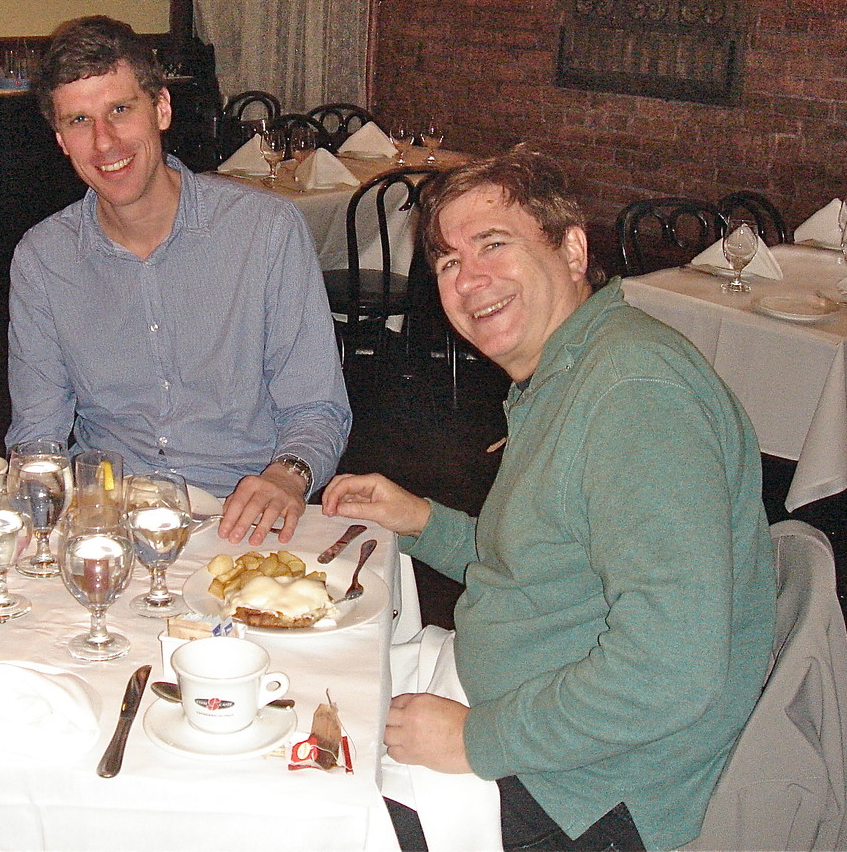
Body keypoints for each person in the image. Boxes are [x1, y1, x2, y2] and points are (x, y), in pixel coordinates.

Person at [321, 145, 774, 852]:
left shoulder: (633, 394)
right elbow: (539, 558)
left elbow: (671, 669)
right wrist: (419, 519)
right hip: (533, 709)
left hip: (593, 788)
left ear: (571, 249)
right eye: (447, 263)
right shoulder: (570, 367)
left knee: (309, 808)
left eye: (493, 245)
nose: (470, 280)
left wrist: (478, 739)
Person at [6, 16, 350, 543]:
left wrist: (287, 474)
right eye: (79, 120)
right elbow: (38, 433)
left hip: (242, 515)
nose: (104, 141)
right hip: (109, 520)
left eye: (120, 110)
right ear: (60, 140)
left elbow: (316, 406)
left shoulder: (265, 231)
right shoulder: (44, 259)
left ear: (161, 108)